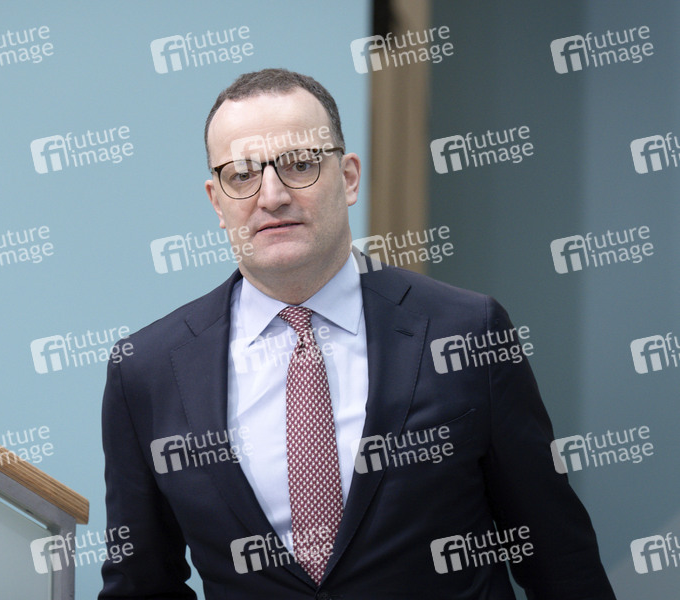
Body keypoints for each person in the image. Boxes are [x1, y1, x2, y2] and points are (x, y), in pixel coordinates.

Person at [99, 68, 615, 599]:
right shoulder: (147, 371)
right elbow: (141, 586)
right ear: (216, 200)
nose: (271, 195)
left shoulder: (465, 331)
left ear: (348, 178)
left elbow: (559, 559)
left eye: (300, 164)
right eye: (242, 174)